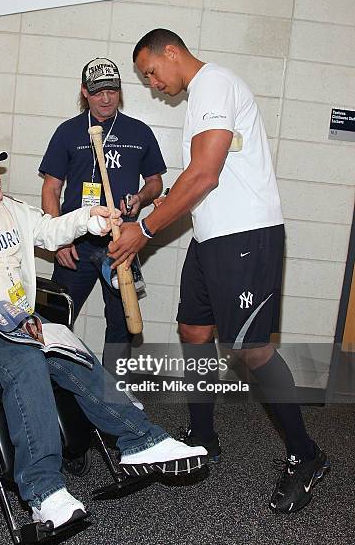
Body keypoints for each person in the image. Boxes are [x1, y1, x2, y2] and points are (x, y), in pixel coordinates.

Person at [0, 137, 207, 530]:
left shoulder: (9, 210)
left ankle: (141, 440)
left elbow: (49, 231)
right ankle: (44, 493)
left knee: (69, 349)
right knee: (26, 363)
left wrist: (88, 219)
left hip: (18, 324)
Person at [108, 29, 330, 514]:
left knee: (251, 350)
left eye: (150, 72)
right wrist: (150, 210)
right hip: (210, 239)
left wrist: (144, 231)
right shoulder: (200, 100)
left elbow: (204, 173)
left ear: (172, 52)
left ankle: (306, 455)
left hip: (247, 238)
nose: (152, 84)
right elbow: (198, 182)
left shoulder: (214, 84)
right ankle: (203, 434)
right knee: (193, 331)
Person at [40, 57, 166, 371]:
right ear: (85, 92)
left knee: (122, 323)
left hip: (120, 243)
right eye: (98, 92)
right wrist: (59, 240)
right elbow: (51, 189)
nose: (106, 98)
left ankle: (114, 394)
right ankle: (54, 387)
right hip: (76, 244)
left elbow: (155, 183)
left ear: (120, 91)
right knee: (57, 317)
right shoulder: (68, 132)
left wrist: (141, 197)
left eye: (112, 90)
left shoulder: (139, 133)